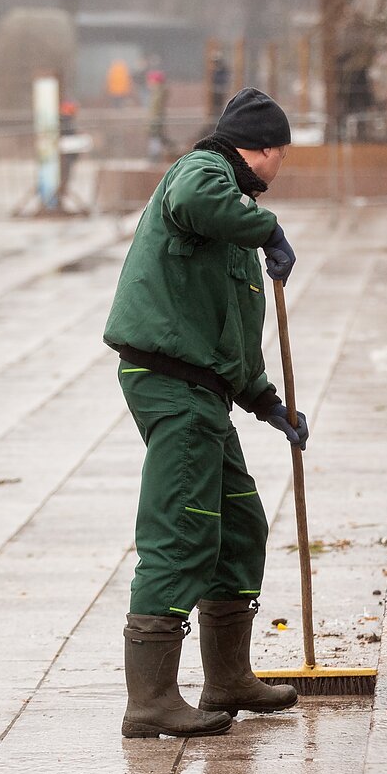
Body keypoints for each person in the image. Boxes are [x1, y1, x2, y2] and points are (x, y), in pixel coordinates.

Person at [103, 87, 307, 738]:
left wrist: (267, 401)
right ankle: (152, 700)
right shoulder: (205, 172)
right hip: (170, 381)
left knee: (240, 522)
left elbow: (230, 340)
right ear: (266, 149)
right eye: (283, 154)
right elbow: (193, 198)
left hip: (203, 387)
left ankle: (227, 677)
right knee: (184, 522)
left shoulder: (229, 232)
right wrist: (266, 227)